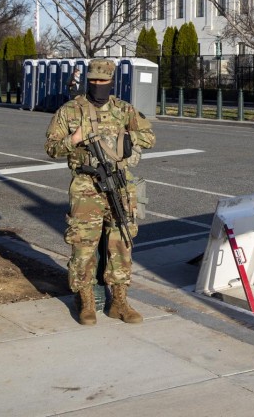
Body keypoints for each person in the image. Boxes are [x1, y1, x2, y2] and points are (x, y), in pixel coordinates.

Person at [45, 58, 155, 326]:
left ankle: (119, 301)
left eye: (102, 81)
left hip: (119, 184)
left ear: (111, 81)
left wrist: (127, 140)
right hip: (86, 187)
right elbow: (51, 147)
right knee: (83, 246)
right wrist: (74, 139)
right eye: (93, 81)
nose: (97, 86)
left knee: (121, 244)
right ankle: (86, 302)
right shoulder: (70, 111)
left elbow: (149, 138)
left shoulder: (123, 110)